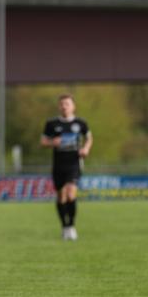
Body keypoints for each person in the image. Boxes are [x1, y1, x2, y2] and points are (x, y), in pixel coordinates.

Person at [40, 95, 92, 241]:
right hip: (58, 165)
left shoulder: (80, 123)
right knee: (61, 196)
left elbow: (89, 137)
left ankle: (72, 226)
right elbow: (43, 141)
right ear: (59, 106)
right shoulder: (52, 123)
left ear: (73, 106)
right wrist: (52, 142)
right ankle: (64, 227)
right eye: (62, 104)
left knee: (70, 193)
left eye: (67, 104)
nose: (64, 106)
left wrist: (86, 149)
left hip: (74, 163)